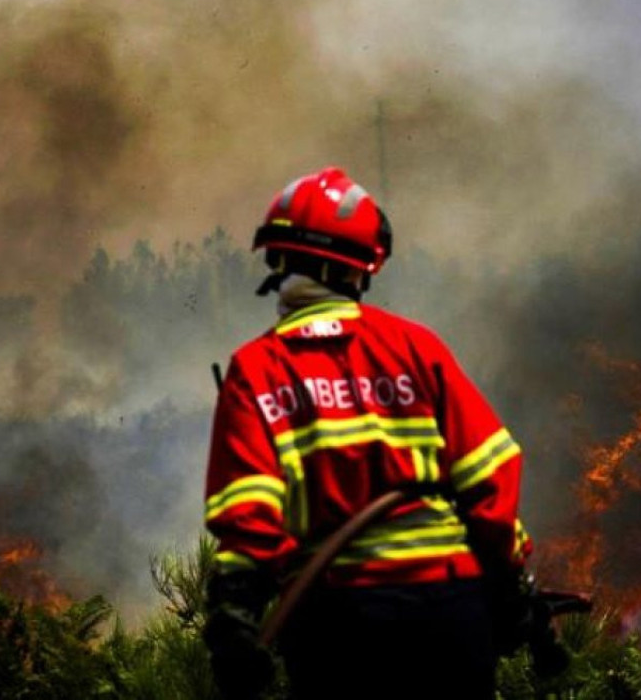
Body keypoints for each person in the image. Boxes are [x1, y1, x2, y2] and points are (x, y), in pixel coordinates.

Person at [202, 167, 533, 699]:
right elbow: (489, 480)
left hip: (337, 622)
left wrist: (234, 619)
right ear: (363, 269)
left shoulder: (257, 369)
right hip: (448, 610)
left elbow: (249, 518)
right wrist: (514, 590)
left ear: (276, 260)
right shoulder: (416, 347)